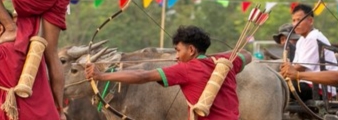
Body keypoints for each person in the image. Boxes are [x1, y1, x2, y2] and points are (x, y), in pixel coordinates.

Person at [85, 26, 248, 119]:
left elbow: (143, 75)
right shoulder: (225, 63)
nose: (176, 56)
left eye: (178, 51)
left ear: (191, 49)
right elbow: (247, 54)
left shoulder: (186, 68)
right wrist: (216, 58)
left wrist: (102, 76)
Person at [287, 4, 338, 101]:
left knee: (280, 86)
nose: (295, 24)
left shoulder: (314, 38)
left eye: (299, 20)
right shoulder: (301, 40)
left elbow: (301, 67)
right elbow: (295, 66)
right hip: (305, 83)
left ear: (310, 21)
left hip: (319, 87)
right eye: (293, 20)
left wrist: (281, 73)